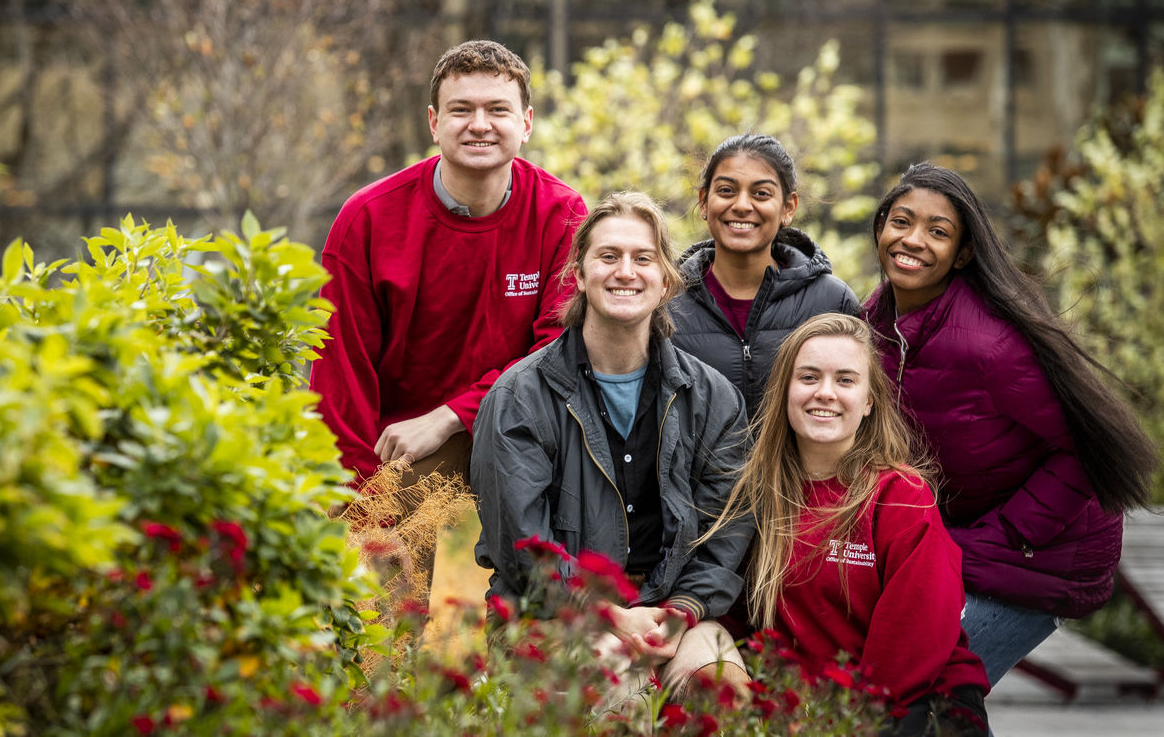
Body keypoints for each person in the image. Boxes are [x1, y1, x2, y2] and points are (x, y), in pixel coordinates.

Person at [863, 163, 1157, 686]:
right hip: (962, 541)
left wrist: (1007, 536)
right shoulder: (874, 323)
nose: (913, 240)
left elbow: (1084, 452)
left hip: (1042, 553)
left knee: (927, 692)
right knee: (926, 702)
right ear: (881, 226)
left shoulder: (991, 344)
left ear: (964, 253)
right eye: (901, 221)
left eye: (938, 231)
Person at [472, 191, 754, 703]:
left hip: (675, 614)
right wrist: (611, 617)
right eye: (608, 256)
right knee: (619, 699)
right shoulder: (519, 398)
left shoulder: (713, 399)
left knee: (724, 693)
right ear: (579, 274)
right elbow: (523, 553)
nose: (626, 271)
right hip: (554, 615)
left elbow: (728, 527)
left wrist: (683, 611)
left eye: (643, 258)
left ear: (666, 280)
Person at [310, 41, 586, 498]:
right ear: (435, 123)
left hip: (519, 430)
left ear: (527, 123)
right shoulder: (368, 219)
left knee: (544, 556)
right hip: (394, 443)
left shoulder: (562, 214)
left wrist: (452, 416)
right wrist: (360, 501)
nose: (480, 125)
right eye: (461, 110)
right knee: (382, 556)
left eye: (498, 109)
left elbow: (558, 353)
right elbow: (342, 374)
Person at [701, 313, 990, 736]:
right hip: (804, 712)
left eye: (846, 380)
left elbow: (913, 640)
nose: (825, 393)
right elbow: (736, 618)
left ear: (870, 400)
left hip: (911, 704)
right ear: (784, 390)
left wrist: (843, 721)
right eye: (809, 377)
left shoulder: (900, 496)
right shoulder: (759, 495)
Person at [671, 133, 860, 417]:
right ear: (704, 201)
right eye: (726, 191)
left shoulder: (833, 301)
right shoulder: (666, 302)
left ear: (788, 208)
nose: (742, 205)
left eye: (761, 193)